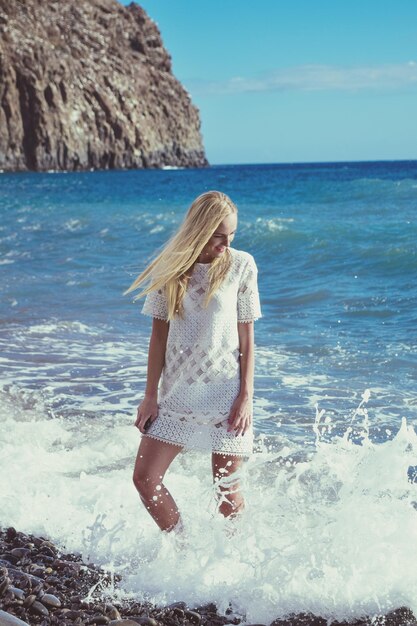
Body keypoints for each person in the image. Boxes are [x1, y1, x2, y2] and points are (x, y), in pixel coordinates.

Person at [124, 190, 261, 534]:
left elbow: (248, 339)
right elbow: (158, 338)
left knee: (227, 495)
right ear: (199, 229)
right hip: (178, 393)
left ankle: (240, 568)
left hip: (226, 394)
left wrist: (246, 396)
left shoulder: (241, 265)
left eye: (232, 235)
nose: (226, 243)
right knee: (145, 478)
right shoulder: (169, 269)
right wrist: (150, 395)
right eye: (218, 235)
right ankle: (183, 548)